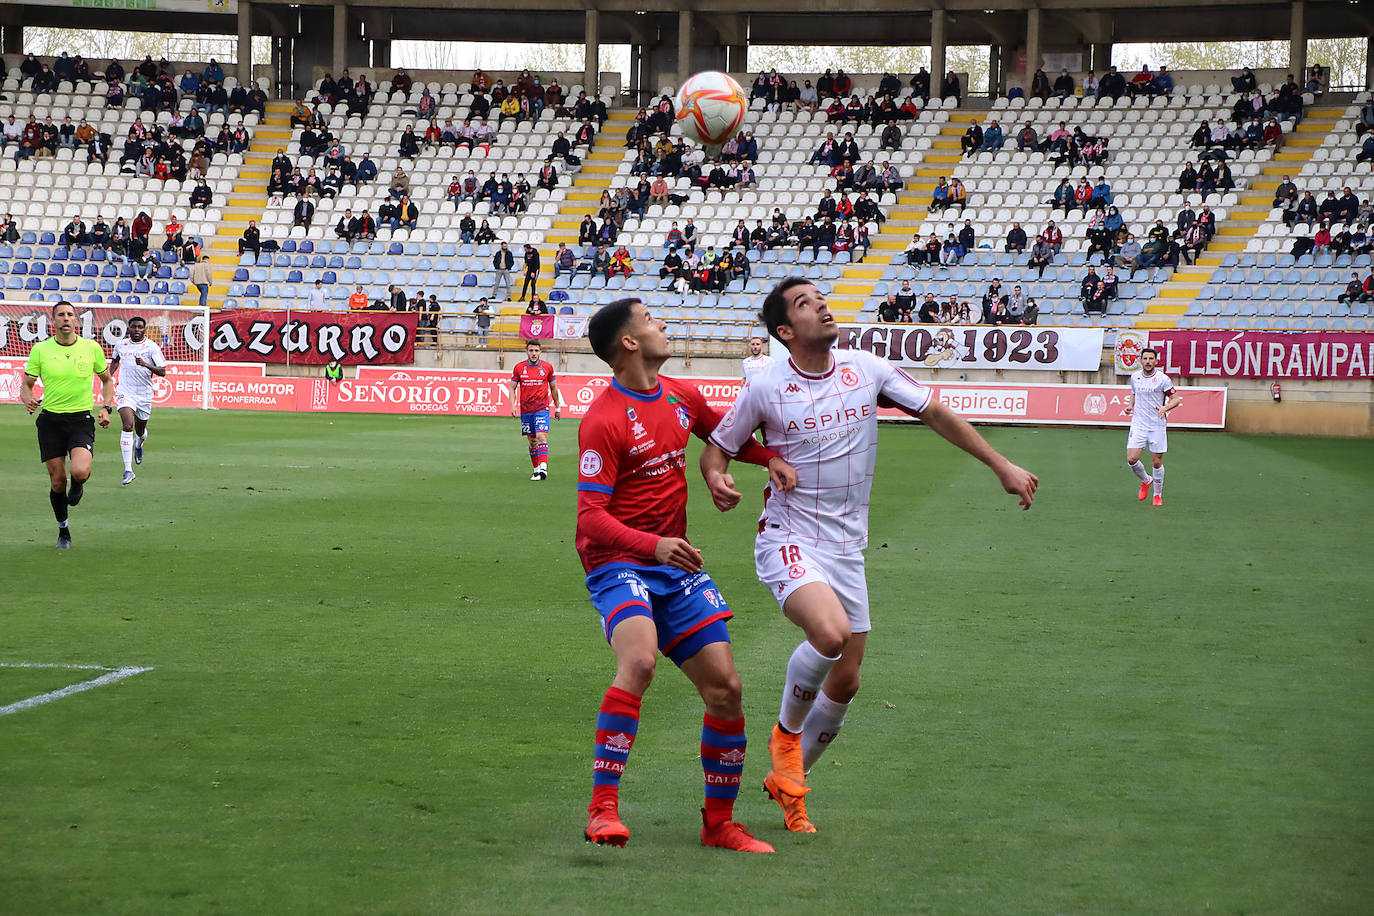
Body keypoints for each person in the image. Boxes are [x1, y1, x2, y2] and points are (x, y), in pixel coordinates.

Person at [700, 278, 1038, 833]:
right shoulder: (764, 385)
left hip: (847, 548)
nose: (823, 306)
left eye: (821, 298)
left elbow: (935, 413)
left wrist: (1000, 464)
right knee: (829, 636)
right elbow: (718, 448)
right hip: (788, 536)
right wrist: (718, 479)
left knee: (848, 681)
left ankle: (791, 783)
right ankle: (785, 739)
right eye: (806, 304)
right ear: (784, 331)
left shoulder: (867, 369)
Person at [577, 297, 797, 853]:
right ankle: (603, 809)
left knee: (727, 688)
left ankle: (718, 824)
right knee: (641, 660)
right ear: (628, 342)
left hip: (675, 566)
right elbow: (590, 519)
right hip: (621, 563)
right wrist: (654, 545)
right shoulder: (602, 419)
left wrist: (763, 457)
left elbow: (726, 440)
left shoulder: (681, 395)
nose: (663, 323)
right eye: (650, 319)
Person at [21, 301, 117, 548]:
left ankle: (78, 486)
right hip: (50, 422)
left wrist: (106, 407)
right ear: (53, 321)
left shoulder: (91, 348)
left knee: (80, 472)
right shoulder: (41, 350)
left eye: (70, 315)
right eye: (61, 315)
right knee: (56, 482)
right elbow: (27, 384)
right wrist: (27, 399)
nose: (66, 318)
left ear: (77, 320)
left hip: (80, 420)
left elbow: (107, 380)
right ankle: (63, 530)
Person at [107, 316, 167, 485]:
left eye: (140, 327)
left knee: (140, 431)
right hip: (125, 391)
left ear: (144, 329)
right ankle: (128, 470)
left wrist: (145, 365)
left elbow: (162, 371)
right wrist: (107, 377)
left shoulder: (151, 347)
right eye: (134, 327)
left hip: (144, 395)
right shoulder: (121, 345)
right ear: (129, 329)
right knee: (127, 425)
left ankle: (139, 443)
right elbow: (115, 361)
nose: (137, 330)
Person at [1125, 347, 1181, 507]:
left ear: (1156, 361)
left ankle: (1157, 495)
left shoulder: (1163, 379)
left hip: (1157, 424)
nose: (1148, 362)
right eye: (1145, 359)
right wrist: (1130, 406)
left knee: (1156, 461)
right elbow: (1134, 393)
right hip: (1139, 424)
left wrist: (1165, 408)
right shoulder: (1135, 377)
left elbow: (1176, 399)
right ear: (1141, 360)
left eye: (1151, 359)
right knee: (1131, 459)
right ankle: (1146, 480)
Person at [508, 341, 563, 481]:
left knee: (541, 436)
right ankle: (537, 471)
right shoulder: (519, 368)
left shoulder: (547, 367)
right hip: (526, 409)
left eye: (536, 350)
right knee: (532, 441)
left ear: (540, 352)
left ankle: (544, 467)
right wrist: (513, 406)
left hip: (542, 408)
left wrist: (557, 407)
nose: (533, 353)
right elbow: (512, 388)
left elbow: (554, 388)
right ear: (527, 351)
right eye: (531, 350)